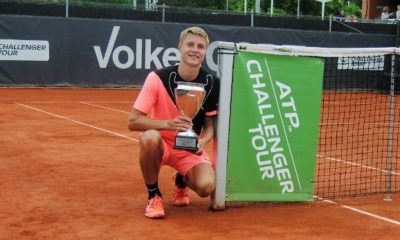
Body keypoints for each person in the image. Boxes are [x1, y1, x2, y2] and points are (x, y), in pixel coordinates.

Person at [128, 26, 220, 219]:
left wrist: (203, 142)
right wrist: (167, 125)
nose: (195, 50)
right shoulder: (157, 78)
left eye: (200, 46)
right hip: (161, 143)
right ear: (180, 47)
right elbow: (133, 121)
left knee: (207, 186)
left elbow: (211, 123)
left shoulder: (212, 82)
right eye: (190, 44)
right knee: (149, 138)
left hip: (189, 148)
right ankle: (154, 195)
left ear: (205, 52)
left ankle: (181, 179)